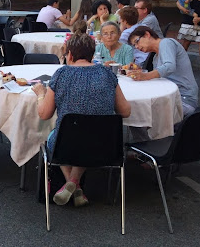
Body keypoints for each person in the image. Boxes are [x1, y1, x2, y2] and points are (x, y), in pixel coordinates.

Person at [32, 32, 131, 206]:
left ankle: (71, 183)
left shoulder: (61, 75)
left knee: (56, 136)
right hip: (104, 144)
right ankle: (74, 186)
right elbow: (125, 111)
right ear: (93, 54)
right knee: (88, 133)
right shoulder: (107, 74)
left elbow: (44, 114)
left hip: (66, 145)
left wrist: (41, 94)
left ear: (69, 54)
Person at [128, 26, 198, 117]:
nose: (137, 47)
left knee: (140, 114)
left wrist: (146, 76)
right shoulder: (155, 58)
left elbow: (169, 66)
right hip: (169, 98)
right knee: (136, 109)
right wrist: (140, 73)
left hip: (183, 99)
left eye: (137, 42)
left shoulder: (166, 42)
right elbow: (158, 80)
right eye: (134, 46)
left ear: (147, 34)